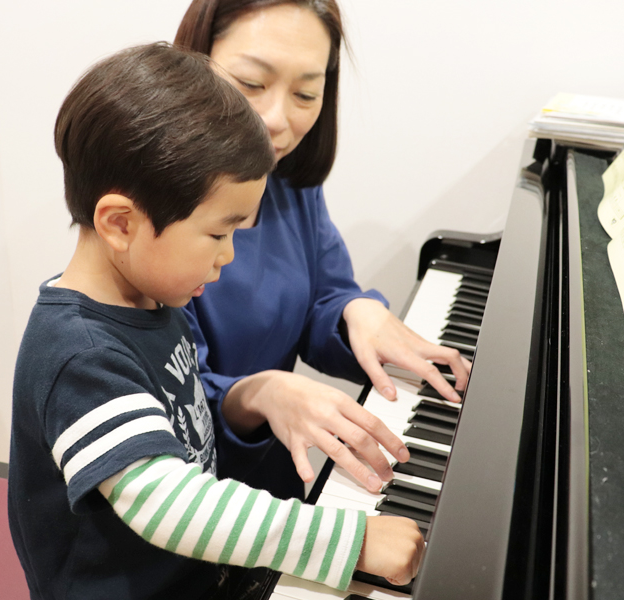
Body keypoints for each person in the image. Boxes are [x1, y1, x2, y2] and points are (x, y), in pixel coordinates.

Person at [8, 43, 424, 600]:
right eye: (218, 234)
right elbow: (170, 504)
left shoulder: (153, 300)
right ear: (120, 223)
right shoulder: (80, 354)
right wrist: (351, 541)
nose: (228, 256)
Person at [175, 0, 473, 501]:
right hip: (196, 504)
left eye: (306, 93)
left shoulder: (288, 182)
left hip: (279, 483)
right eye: (250, 84)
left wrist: (356, 311)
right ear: (193, 63)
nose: (276, 120)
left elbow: (319, 298)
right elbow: (173, 401)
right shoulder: (157, 216)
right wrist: (263, 394)